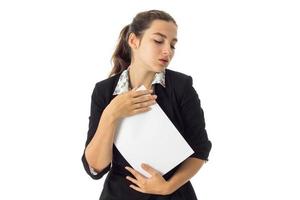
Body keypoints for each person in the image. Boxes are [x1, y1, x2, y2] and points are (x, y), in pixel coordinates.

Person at [81, 9, 212, 200]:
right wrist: (111, 114)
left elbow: (200, 149)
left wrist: (167, 187)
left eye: (173, 45)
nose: (167, 50)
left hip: (174, 194)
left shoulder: (181, 86)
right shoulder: (105, 91)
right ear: (134, 41)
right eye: (158, 41)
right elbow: (96, 167)